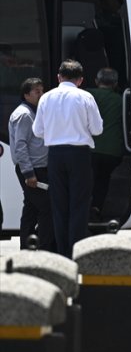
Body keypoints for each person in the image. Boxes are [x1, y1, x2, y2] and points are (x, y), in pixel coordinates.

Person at [32, 59, 103, 257]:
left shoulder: (46, 98)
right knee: (79, 204)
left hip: (55, 154)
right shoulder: (86, 96)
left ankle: (62, 252)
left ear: (59, 77)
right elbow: (97, 129)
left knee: (59, 204)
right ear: (80, 80)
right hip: (79, 155)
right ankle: (76, 251)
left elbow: (37, 131)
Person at [8, 78, 54, 250]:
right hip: (33, 170)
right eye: (37, 91)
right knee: (47, 208)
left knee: (31, 208)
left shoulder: (34, 111)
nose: (41, 94)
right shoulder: (24, 115)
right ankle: (43, 247)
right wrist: (29, 173)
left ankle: (27, 247)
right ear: (26, 95)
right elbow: (20, 145)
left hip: (37, 168)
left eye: (42, 90)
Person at [87, 67, 124, 216]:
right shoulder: (121, 99)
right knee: (103, 179)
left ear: (97, 81)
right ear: (115, 84)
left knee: (88, 179)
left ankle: (85, 206)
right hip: (113, 151)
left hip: (90, 149)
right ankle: (96, 206)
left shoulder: (88, 95)